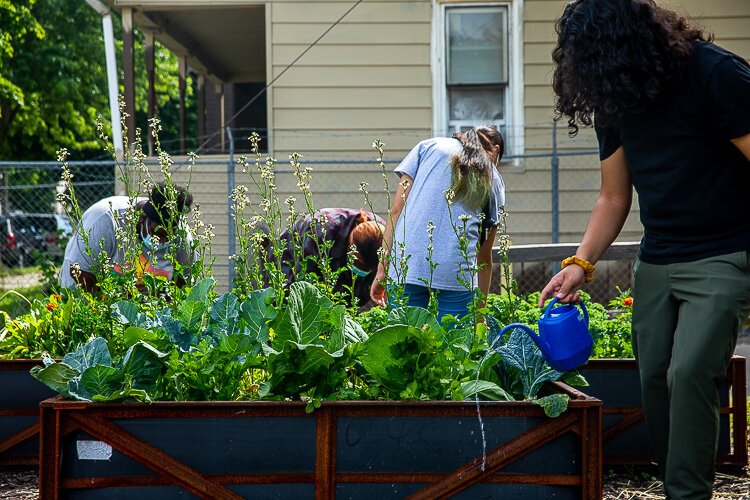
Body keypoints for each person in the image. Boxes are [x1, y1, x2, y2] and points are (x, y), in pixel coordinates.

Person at [538, 1, 750, 498]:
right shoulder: (617, 95)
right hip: (657, 258)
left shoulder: (715, 73)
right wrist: (580, 263)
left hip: (725, 252)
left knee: (691, 370)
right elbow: (614, 196)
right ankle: (678, 477)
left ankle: (686, 493)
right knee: (655, 380)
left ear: (622, 45)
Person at [370, 126, 505, 321]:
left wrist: (382, 269)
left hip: (407, 263)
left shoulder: (428, 147)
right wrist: (479, 314)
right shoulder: (494, 178)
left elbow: (396, 211)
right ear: (497, 150)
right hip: (456, 270)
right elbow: (484, 258)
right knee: (454, 347)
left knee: (404, 345)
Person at [59, 182, 194, 293]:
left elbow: (184, 283)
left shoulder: (182, 235)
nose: (162, 241)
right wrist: (110, 308)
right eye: (157, 233)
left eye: (168, 236)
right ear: (141, 218)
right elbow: (79, 272)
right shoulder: (106, 220)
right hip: (88, 292)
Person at [276, 208, 384, 309]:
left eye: (367, 268)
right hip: (289, 255)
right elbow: (303, 282)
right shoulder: (321, 231)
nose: (361, 270)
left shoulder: (384, 233)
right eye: (358, 264)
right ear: (351, 246)